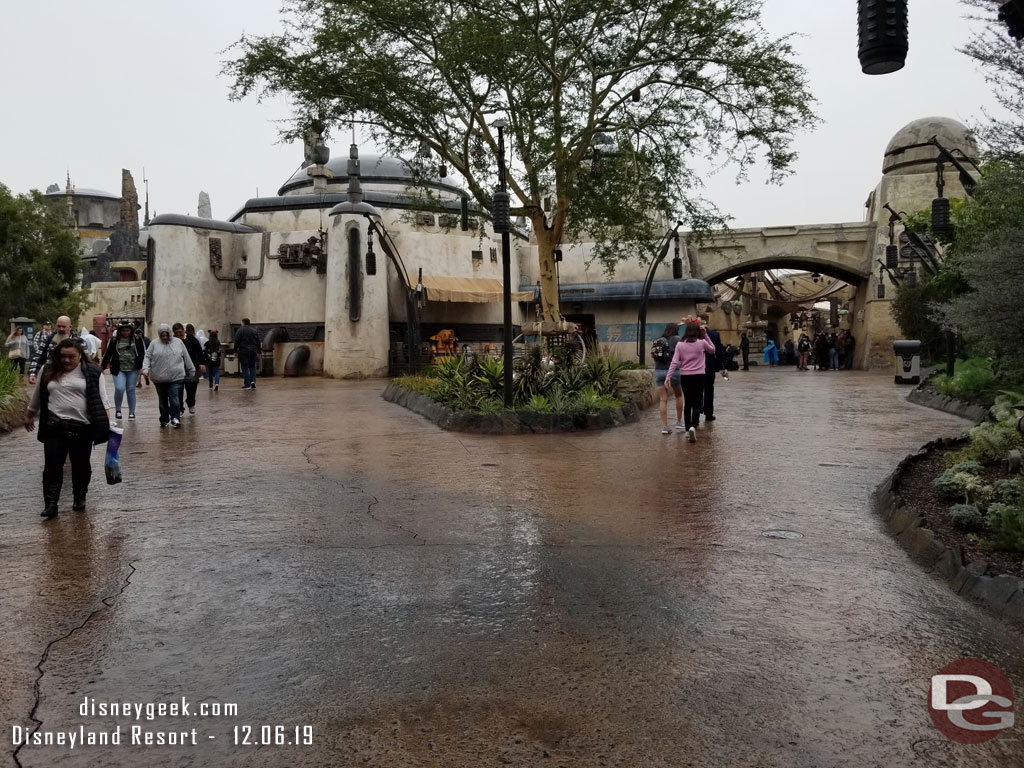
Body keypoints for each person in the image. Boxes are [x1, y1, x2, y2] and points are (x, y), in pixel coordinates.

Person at [24, 339, 111, 518]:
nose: (67, 360)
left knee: (81, 466)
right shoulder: (47, 370)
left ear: (80, 355)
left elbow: (102, 399)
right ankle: (51, 503)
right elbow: (38, 395)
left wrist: (107, 424)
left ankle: (80, 497)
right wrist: (30, 414)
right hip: (55, 426)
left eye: (71, 357)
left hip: (82, 428)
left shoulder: (93, 372)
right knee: (52, 466)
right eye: (63, 356)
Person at [664, 320, 716, 444]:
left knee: (688, 403)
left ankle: (688, 430)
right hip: (699, 375)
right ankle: (693, 425)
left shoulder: (680, 344)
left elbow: (674, 362)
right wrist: (706, 335)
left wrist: (668, 377)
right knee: (697, 402)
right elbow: (713, 350)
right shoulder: (702, 343)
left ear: (686, 331)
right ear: (698, 332)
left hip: (686, 376)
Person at [142, 324, 195, 428]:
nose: (165, 337)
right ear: (159, 335)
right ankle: (164, 419)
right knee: (162, 400)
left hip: (175, 377)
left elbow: (186, 356)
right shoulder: (154, 344)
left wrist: (191, 369)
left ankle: (175, 418)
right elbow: (147, 356)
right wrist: (145, 368)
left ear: (170, 334)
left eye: (166, 335)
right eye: (162, 335)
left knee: (174, 397)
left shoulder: (178, 343)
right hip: (159, 378)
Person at [101, 320, 145, 419]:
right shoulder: (114, 340)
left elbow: (142, 353)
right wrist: (102, 367)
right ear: (120, 330)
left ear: (131, 331)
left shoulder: (137, 339)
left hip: (133, 369)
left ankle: (132, 412)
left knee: (130, 389)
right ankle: (118, 410)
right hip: (118, 368)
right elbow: (108, 354)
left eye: (127, 331)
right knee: (119, 388)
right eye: (123, 331)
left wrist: (142, 367)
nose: (125, 333)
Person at [651, 323, 683, 435]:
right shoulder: (677, 339)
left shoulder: (659, 339)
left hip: (659, 371)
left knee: (663, 399)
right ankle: (679, 422)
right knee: (678, 395)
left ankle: (665, 426)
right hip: (673, 371)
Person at [29, 316, 79, 384]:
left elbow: (85, 360)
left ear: (70, 327)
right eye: (59, 326)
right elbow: (38, 356)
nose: (61, 329)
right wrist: (32, 373)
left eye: (64, 327)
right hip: (50, 376)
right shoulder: (48, 339)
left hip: (73, 377)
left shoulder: (79, 342)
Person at [698, 315, 725, 423]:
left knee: (698, 390)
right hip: (709, 366)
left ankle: (697, 412)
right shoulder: (714, 334)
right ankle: (708, 414)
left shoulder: (693, 334)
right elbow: (719, 352)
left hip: (696, 366)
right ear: (708, 322)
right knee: (709, 390)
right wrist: (722, 368)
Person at [181, 323, 205, 414]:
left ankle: (191, 403)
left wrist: (202, 363)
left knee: (192, 386)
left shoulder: (192, 339)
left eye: (181, 331)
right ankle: (180, 408)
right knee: (178, 388)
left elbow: (199, 351)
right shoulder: (174, 340)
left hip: (192, 366)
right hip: (178, 367)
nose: (179, 334)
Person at [234, 318, 261, 390]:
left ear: (243, 323)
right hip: (253, 351)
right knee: (252, 367)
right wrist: (259, 351)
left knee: (245, 367)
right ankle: (253, 382)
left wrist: (235, 351)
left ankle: (247, 384)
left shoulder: (240, 330)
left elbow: (237, 341)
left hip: (243, 351)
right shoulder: (254, 330)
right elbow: (258, 341)